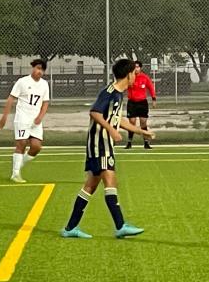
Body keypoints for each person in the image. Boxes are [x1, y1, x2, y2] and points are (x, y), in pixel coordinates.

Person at [60, 58, 154, 239]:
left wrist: (142, 132)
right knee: (110, 180)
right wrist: (111, 130)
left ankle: (70, 228)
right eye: (134, 73)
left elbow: (119, 121)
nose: (136, 76)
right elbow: (94, 112)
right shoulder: (110, 92)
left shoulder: (119, 94)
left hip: (103, 144)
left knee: (90, 186)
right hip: (100, 144)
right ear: (128, 74)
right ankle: (120, 226)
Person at [0, 58, 51, 183]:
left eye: (42, 69)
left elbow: (45, 103)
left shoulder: (44, 84)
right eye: (38, 68)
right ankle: (15, 174)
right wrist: (4, 117)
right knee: (21, 143)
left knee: (36, 147)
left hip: (35, 121)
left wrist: (40, 116)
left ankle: (19, 164)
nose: (39, 71)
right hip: (22, 118)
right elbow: (11, 99)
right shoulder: (22, 82)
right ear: (33, 68)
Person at [125, 60, 156, 149]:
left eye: (137, 67)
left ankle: (146, 143)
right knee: (132, 122)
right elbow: (122, 86)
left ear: (140, 68)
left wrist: (154, 99)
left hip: (142, 103)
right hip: (132, 103)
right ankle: (129, 142)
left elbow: (151, 88)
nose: (136, 69)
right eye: (134, 67)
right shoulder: (129, 77)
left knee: (143, 122)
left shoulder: (145, 77)